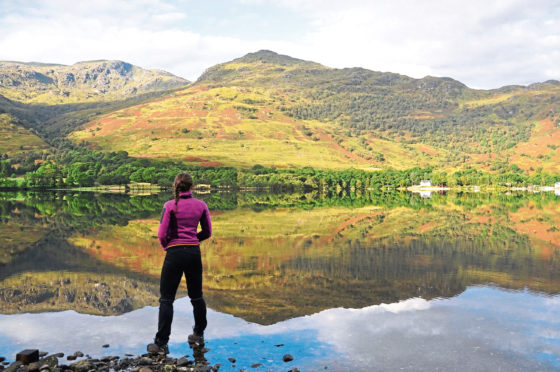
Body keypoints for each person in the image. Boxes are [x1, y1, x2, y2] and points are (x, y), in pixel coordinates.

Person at [147, 173, 212, 354]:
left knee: (167, 299)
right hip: (193, 253)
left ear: (175, 187)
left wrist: (167, 245)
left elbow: (161, 234)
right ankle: (198, 334)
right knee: (196, 296)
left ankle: (161, 344)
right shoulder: (201, 205)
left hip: (174, 253)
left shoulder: (169, 206)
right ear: (192, 187)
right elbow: (207, 231)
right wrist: (193, 240)